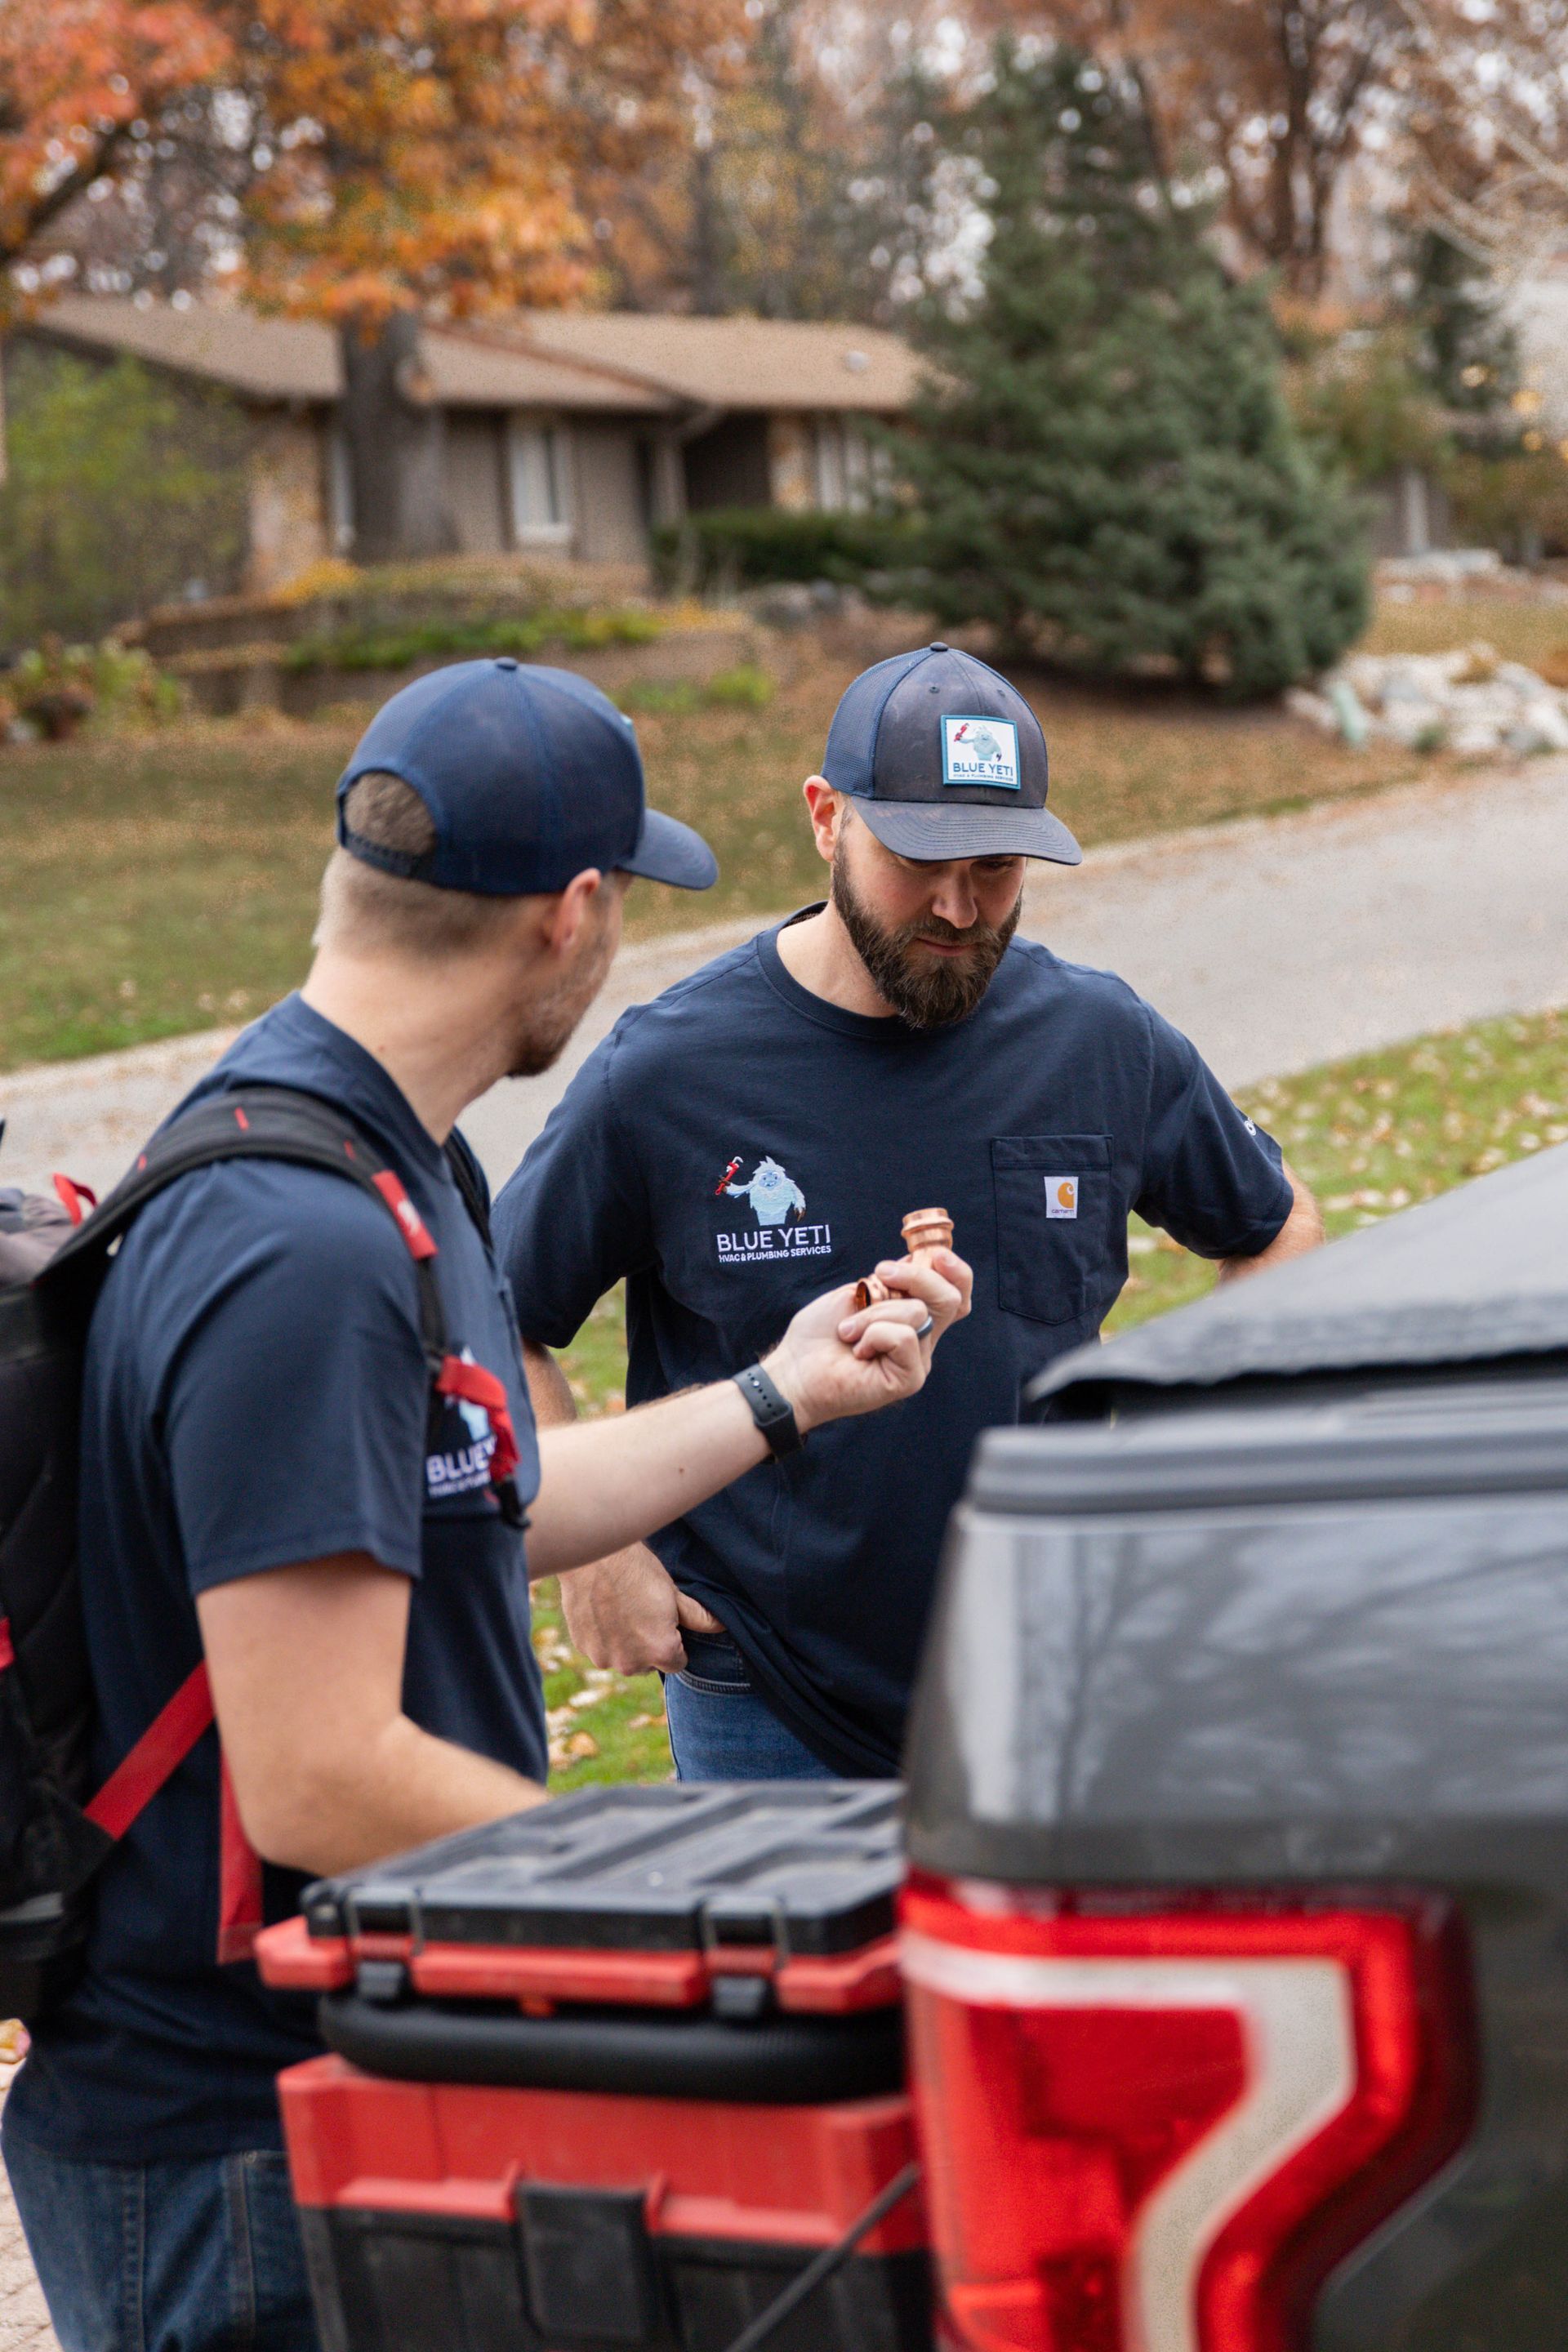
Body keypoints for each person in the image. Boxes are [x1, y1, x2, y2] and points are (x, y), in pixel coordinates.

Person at [2, 657, 969, 2352]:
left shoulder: (400, 1161)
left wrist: (781, 1392)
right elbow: (315, 1770)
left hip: (350, 2064)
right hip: (229, 2134)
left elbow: (478, 1501)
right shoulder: (295, 1244)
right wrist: (679, 1870)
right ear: (571, 915)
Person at [495, 642, 1323, 1784]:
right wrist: (600, 1548)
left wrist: (1202, 1470)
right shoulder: (672, 1071)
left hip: (1058, 1677)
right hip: (767, 1701)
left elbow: (1272, 1228)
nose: (958, 905)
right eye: (920, 860)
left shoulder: (1099, 1042)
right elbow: (500, 1312)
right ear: (826, 818)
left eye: (996, 869)